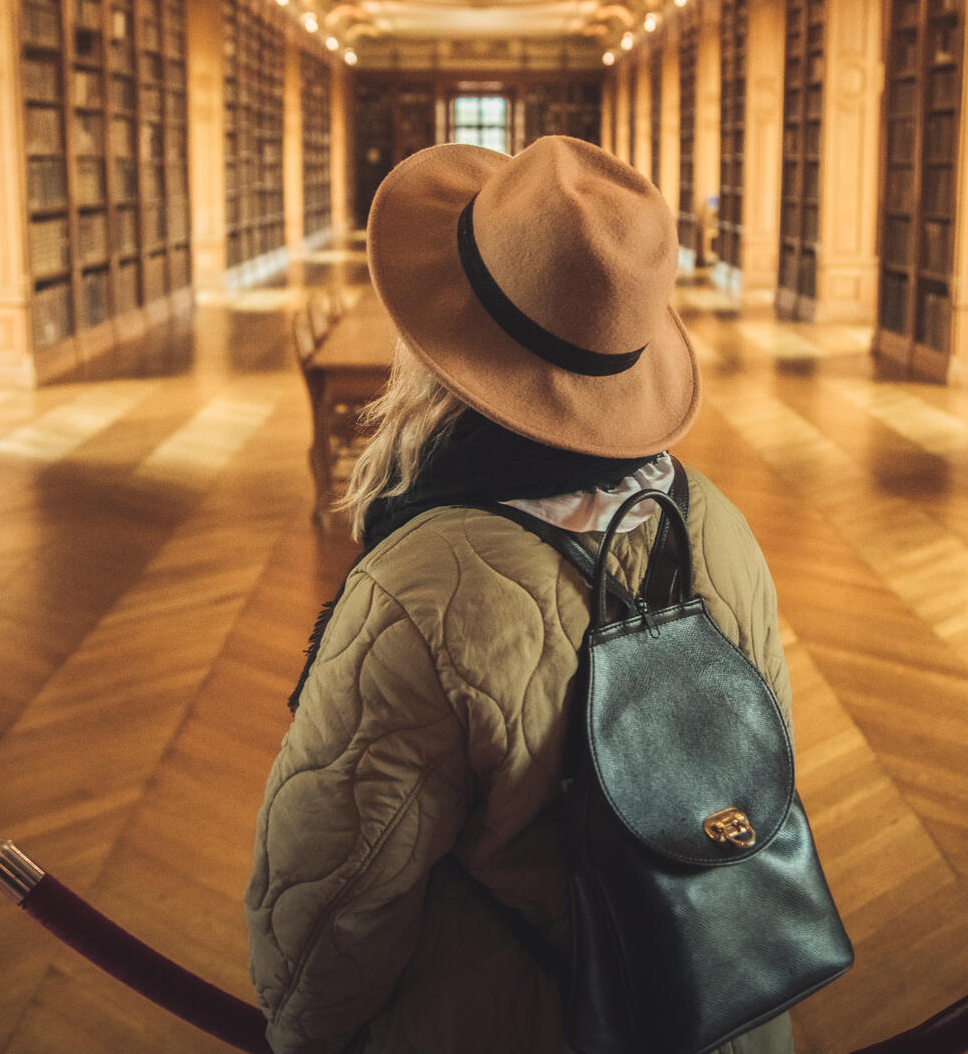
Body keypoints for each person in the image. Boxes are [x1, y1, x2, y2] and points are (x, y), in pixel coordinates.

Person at [245, 135, 796, 1054]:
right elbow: (763, 774)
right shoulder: (717, 523)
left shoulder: (419, 587)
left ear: (438, 348)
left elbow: (330, 907)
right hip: (722, 993)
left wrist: (298, 1035)